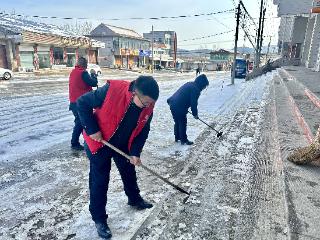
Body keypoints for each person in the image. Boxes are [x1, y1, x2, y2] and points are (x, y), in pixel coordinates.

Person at [77, 76, 159, 239]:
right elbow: (82, 103)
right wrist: (92, 129)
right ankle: (99, 218)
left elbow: (143, 130)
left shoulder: (148, 104)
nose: (148, 106)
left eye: (151, 103)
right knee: (99, 180)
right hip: (101, 142)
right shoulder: (111, 90)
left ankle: (134, 199)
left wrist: (135, 152)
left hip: (123, 143)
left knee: (129, 171)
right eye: (146, 103)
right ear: (135, 93)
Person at [167, 74, 209, 145]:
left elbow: (181, 94)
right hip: (178, 106)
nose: (204, 88)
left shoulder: (190, 84)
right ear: (202, 84)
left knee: (177, 122)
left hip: (172, 103)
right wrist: (195, 114)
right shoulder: (196, 89)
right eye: (205, 86)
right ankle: (184, 140)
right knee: (182, 122)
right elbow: (193, 103)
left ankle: (177, 138)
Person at [69, 57, 98, 151]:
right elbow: (93, 83)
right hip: (82, 103)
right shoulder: (83, 73)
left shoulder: (73, 72)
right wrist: (94, 75)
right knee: (81, 123)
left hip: (74, 102)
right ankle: (75, 143)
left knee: (81, 122)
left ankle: (85, 141)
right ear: (85, 65)